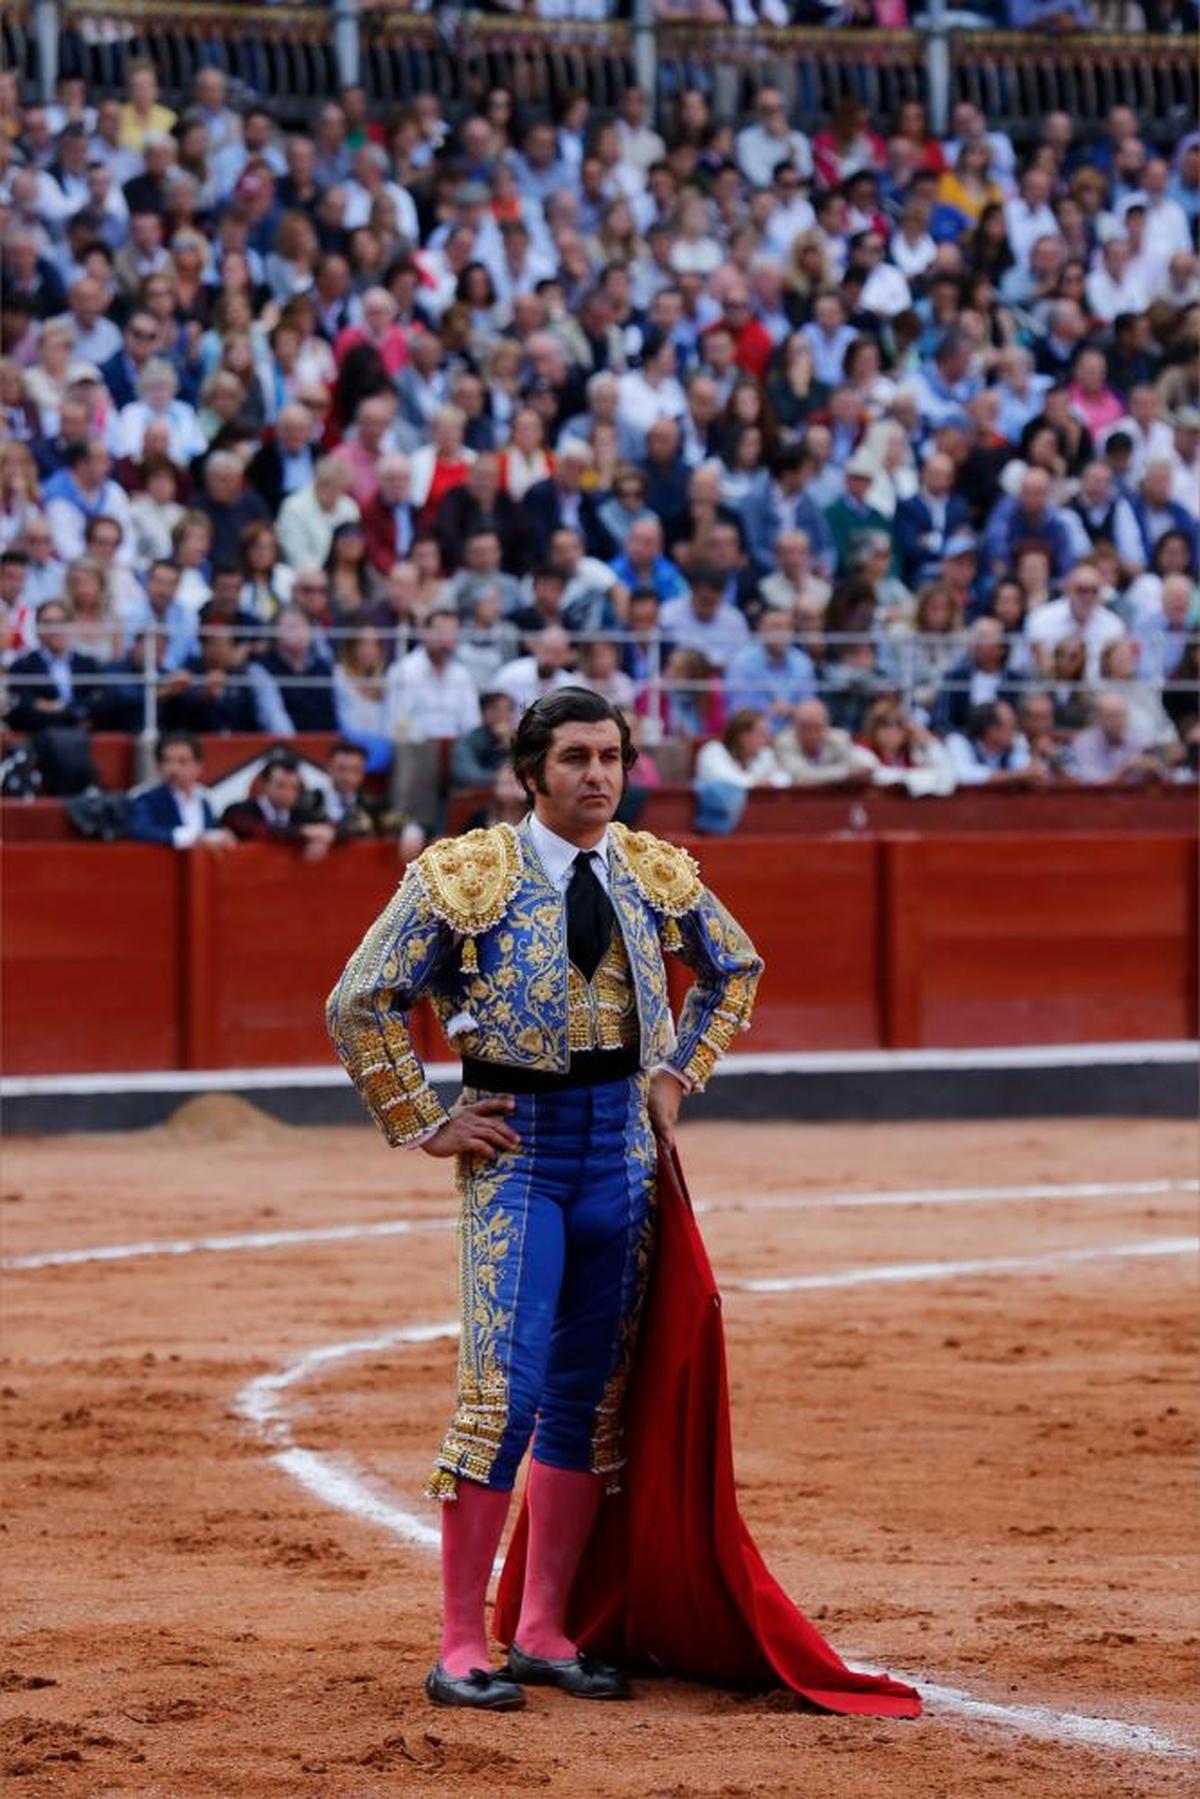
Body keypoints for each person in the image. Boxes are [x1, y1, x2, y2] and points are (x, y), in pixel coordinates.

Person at [326, 687, 764, 1708]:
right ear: (531, 772)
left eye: (610, 755)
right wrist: (424, 1119)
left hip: (620, 1153)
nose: (597, 775)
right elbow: (359, 998)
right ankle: (457, 1643)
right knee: (503, 1395)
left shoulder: (653, 871)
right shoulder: (464, 872)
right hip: (516, 1156)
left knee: (587, 1402)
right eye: (574, 757)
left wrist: (678, 1072)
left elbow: (734, 966)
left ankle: (542, 1627)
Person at [221, 750, 337, 861]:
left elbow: (337, 827)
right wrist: (304, 832)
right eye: (281, 786)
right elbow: (261, 831)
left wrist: (323, 838)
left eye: (294, 788)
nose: (287, 793)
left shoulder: (302, 813)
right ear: (265, 784)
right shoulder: (239, 811)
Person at [127, 730, 236, 848]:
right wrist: (191, 837)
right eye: (167, 761)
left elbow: (210, 833)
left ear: (198, 766)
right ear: (158, 766)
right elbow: (141, 831)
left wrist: (219, 835)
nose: (174, 769)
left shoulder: (206, 799)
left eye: (182, 761)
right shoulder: (145, 798)